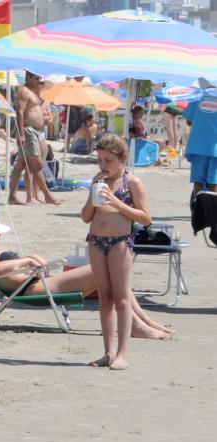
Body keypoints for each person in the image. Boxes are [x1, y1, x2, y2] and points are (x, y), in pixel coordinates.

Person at [0, 211, 172, 340]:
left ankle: (143, 321)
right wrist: (26, 260)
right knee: (105, 269)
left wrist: (28, 259)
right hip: (34, 289)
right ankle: (136, 325)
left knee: (113, 273)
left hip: (37, 283)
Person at [81, 134, 151, 370]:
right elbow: (85, 217)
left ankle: (123, 353)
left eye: (109, 161)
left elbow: (146, 217)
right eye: (100, 160)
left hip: (120, 241)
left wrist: (117, 202)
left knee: (121, 297)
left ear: (122, 158)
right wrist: (93, 193)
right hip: (96, 241)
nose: (103, 166)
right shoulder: (98, 180)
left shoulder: (131, 182)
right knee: (104, 297)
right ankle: (108, 352)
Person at [8, 72, 63, 206]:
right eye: (36, 78)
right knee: (37, 165)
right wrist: (21, 133)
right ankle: (48, 196)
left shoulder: (32, 93)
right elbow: (19, 112)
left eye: (40, 78)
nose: (39, 81)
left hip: (35, 132)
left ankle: (12, 196)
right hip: (28, 131)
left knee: (20, 165)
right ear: (28, 78)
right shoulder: (24, 91)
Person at [182, 90, 217, 201]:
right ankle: (212, 212)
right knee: (214, 182)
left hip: (198, 146)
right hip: (215, 148)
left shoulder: (198, 96)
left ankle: (199, 211)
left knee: (198, 182)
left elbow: (188, 120)